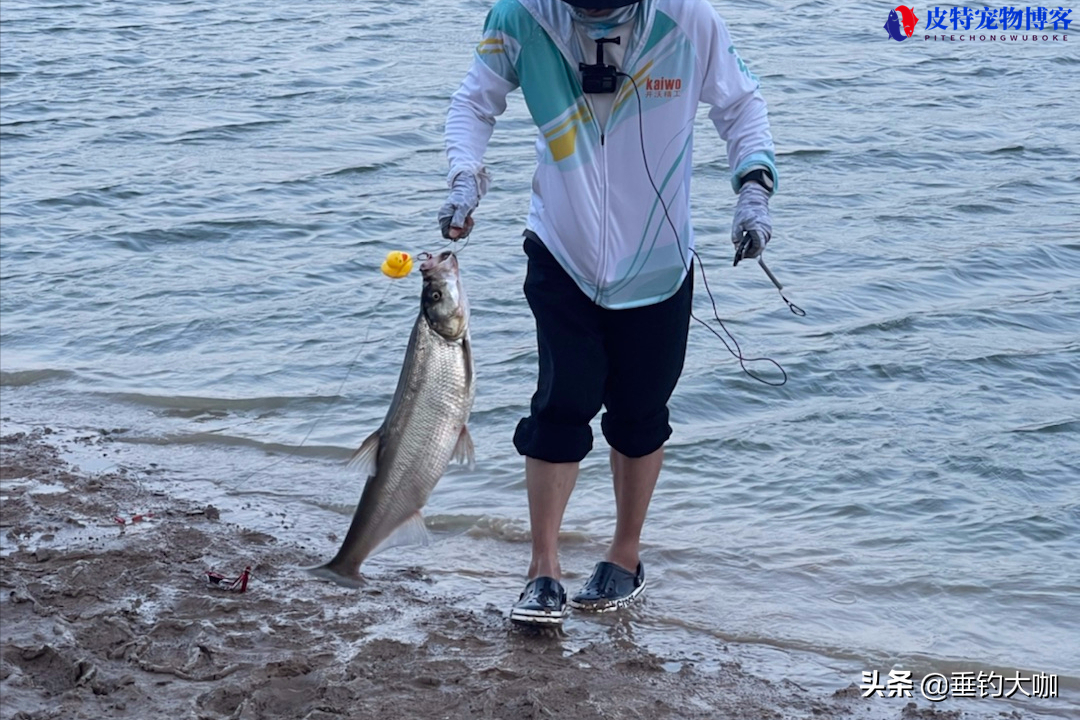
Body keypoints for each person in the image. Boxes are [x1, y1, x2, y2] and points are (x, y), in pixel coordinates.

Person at [440, 0, 777, 626]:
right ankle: (543, 570)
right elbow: (474, 103)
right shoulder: (522, 18)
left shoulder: (687, 20)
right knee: (561, 402)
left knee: (640, 413)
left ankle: (625, 557)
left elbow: (741, 105)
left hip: (660, 258)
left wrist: (754, 188)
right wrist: (465, 176)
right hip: (561, 248)